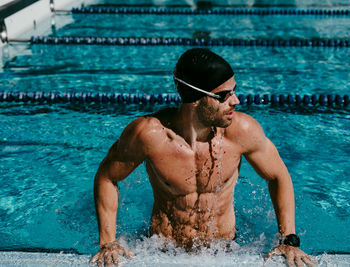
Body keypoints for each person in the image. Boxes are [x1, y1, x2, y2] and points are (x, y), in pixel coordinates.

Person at [90, 48, 317, 267]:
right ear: (196, 98)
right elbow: (107, 177)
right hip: (161, 250)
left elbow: (278, 176)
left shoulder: (242, 132)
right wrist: (108, 242)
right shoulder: (150, 135)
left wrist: (288, 240)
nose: (235, 101)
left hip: (226, 248)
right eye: (223, 96)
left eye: (234, 91)